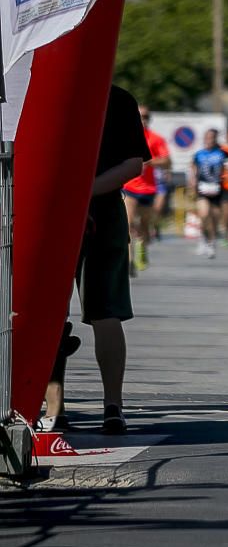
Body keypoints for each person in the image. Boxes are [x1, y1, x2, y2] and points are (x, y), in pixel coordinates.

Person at [39, 85, 151, 434]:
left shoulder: (47, 89)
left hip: (51, 208)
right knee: (106, 313)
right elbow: (134, 163)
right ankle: (112, 406)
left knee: (48, 315)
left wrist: (73, 194)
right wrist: (89, 191)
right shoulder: (118, 98)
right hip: (103, 210)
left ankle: (53, 408)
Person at [121, 104, 170, 275]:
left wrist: (149, 161)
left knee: (144, 226)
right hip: (130, 187)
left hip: (148, 189)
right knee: (127, 225)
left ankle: (143, 249)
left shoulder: (156, 139)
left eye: (146, 117)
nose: (143, 120)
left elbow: (166, 161)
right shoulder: (126, 137)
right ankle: (129, 261)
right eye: (140, 116)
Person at [189, 129, 228, 259]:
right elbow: (193, 170)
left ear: (215, 139)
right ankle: (202, 239)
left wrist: (227, 177)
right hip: (203, 189)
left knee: (215, 218)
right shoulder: (198, 154)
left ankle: (211, 243)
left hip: (217, 190)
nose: (209, 140)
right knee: (204, 214)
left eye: (212, 138)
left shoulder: (222, 153)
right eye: (207, 137)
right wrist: (192, 184)